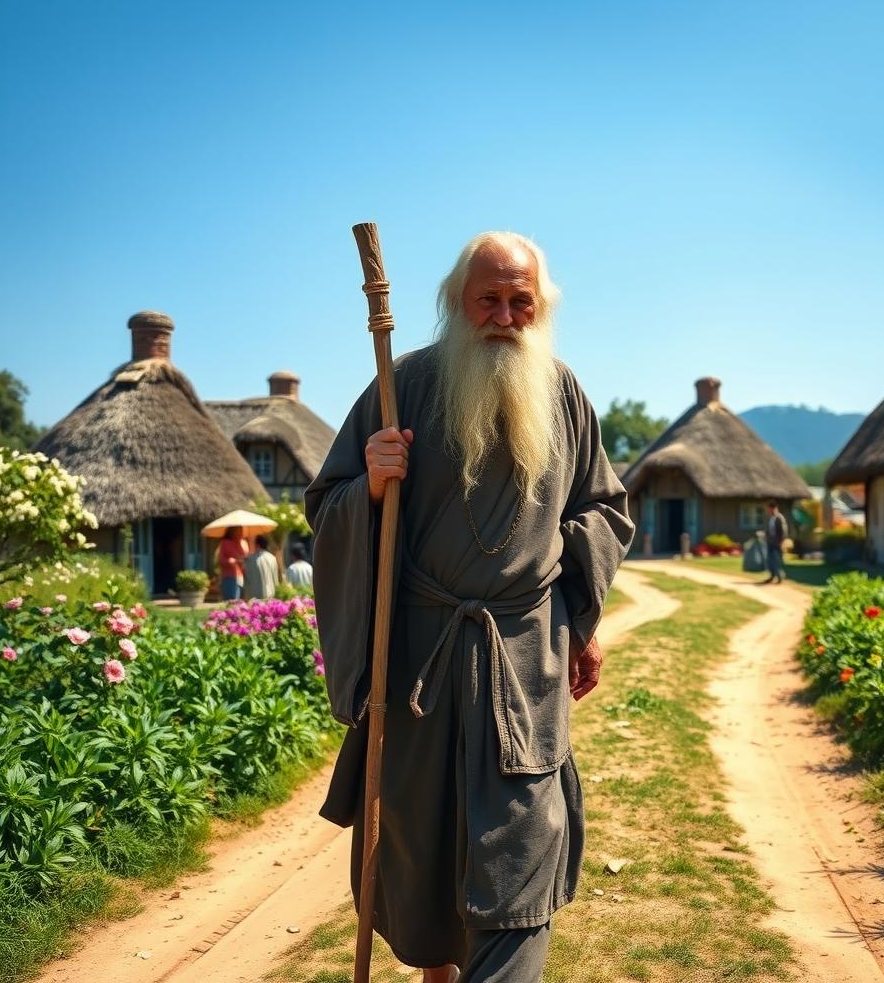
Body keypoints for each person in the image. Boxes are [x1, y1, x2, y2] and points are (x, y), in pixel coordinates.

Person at [305, 231, 634, 983]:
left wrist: (579, 617)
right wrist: (372, 484)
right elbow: (327, 508)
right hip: (421, 663)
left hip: (526, 660)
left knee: (522, 849)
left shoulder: (564, 394)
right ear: (459, 303)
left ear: (539, 307)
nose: (504, 315)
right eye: (488, 299)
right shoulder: (406, 385)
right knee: (428, 853)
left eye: (521, 301)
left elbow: (604, 511)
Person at [216, 525, 248, 602]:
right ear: (231, 532)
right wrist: (230, 561)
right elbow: (220, 559)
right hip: (230, 576)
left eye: (241, 530)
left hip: (242, 576)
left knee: (242, 602)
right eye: (237, 530)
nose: (240, 533)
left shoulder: (243, 543)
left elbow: (246, 557)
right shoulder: (225, 543)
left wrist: (244, 560)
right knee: (232, 601)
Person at [243, 534, 280, 600]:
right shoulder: (272, 558)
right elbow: (275, 577)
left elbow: (247, 577)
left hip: (256, 596)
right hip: (272, 593)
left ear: (257, 545)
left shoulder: (251, 559)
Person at [763, 500, 787, 584]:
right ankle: (772, 576)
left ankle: (779, 577)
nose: (768, 511)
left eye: (769, 509)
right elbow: (768, 530)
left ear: (774, 508)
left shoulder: (779, 518)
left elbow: (783, 531)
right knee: (770, 560)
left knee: (777, 560)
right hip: (770, 542)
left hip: (777, 543)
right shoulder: (771, 518)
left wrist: (781, 541)